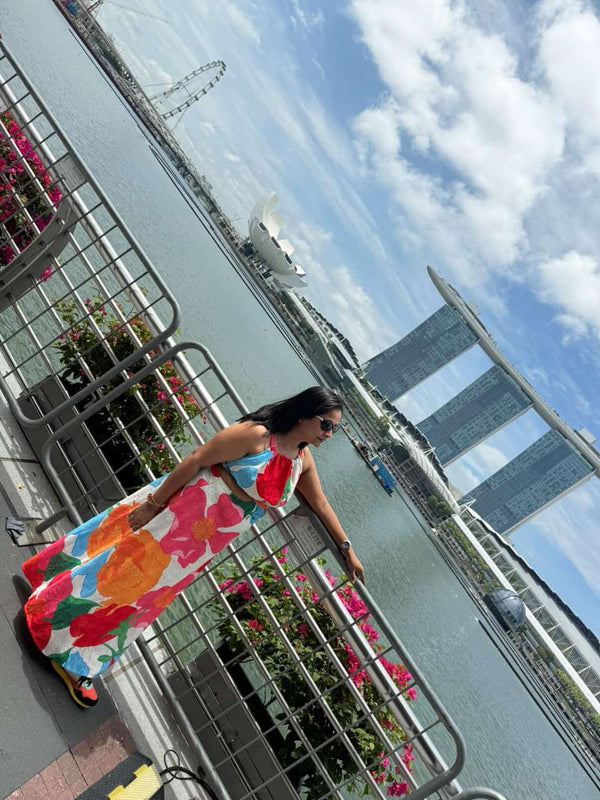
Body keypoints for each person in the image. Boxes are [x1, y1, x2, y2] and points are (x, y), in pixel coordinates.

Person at [22, 386, 365, 708]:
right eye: (325, 424)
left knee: (140, 596)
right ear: (305, 414)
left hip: (204, 543)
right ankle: (58, 638)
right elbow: (197, 458)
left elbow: (320, 504)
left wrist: (346, 548)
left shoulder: (302, 461)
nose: (328, 434)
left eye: (333, 428)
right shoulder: (257, 436)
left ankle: (66, 631)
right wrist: (153, 505)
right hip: (178, 516)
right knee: (118, 576)